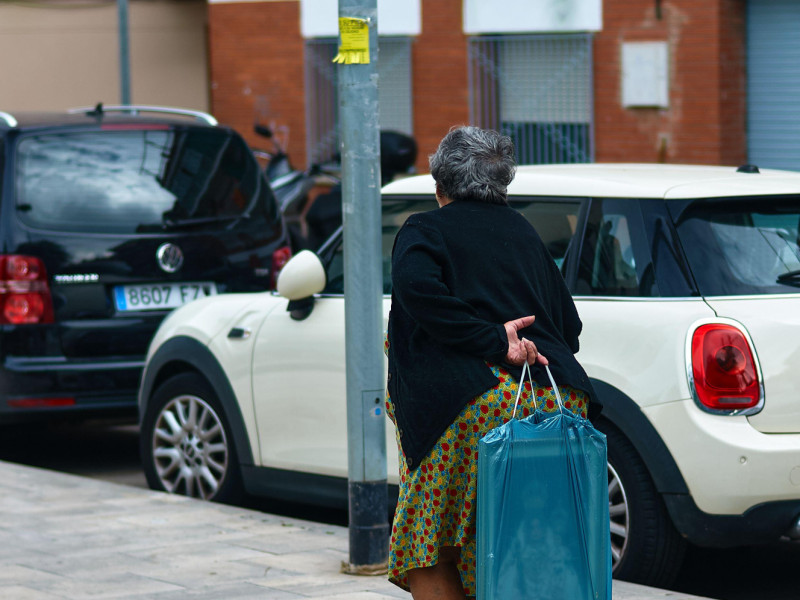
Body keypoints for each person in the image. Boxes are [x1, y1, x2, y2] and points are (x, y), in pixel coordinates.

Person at [385, 126, 597, 599]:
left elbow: (419, 294)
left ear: (439, 183)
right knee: (522, 542)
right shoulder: (524, 231)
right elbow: (570, 326)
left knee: (428, 546)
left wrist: (493, 341)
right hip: (560, 407)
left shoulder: (424, 228)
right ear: (501, 185)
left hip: (476, 405)